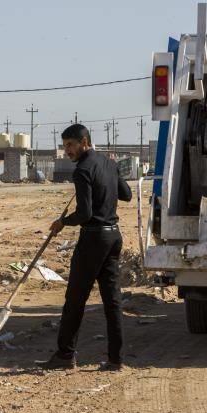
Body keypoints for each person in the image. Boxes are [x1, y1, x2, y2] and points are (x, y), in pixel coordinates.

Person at [41, 124, 132, 371]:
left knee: (75, 299)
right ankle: (116, 359)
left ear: (84, 142)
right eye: (65, 146)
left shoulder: (82, 170)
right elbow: (127, 194)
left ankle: (65, 355)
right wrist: (108, 180)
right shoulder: (108, 163)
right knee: (112, 300)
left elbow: (85, 213)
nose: (67, 150)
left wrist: (62, 222)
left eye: (71, 145)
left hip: (93, 239)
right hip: (114, 236)